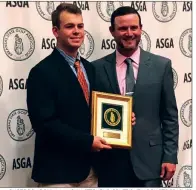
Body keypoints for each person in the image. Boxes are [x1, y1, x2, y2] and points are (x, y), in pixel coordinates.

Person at [26, 3, 115, 188]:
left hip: (90, 171)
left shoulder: (89, 68)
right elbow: (45, 124)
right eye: (69, 26)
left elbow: (95, 110)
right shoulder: (41, 72)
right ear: (55, 31)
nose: (76, 31)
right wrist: (88, 141)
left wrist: (120, 119)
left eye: (80, 26)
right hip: (58, 174)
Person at [92, 6, 179, 187]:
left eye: (134, 28)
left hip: (151, 163)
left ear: (141, 28)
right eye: (123, 28)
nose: (129, 33)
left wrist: (170, 156)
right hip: (110, 162)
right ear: (112, 31)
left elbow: (169, 116)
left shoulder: (161, 66)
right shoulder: (96, 69)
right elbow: (91, 112)